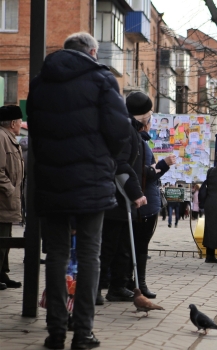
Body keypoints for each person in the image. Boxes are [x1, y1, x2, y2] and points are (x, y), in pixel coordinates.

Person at [27, 32, 131, 349]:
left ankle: (55, 330)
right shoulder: (101, 78)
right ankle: (83, 332)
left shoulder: (40, 81)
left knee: (56, 255)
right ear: (92, 51)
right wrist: (104, 158)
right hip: (91, 180)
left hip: (51, 181)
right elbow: (120, 130)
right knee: (89, 255)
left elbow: (35, 126)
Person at [98, 91, 149, 304]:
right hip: (118, 199)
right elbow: (121, 164)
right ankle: (98, 287)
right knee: (109, 246)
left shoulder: (130, 130)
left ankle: (117, 286)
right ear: (145, 116)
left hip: (121, 199)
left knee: (122, 246)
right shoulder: (127, 131)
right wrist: (136, 193)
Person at [124, 92, 174, 299]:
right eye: (151, 118)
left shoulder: (139, 139)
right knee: (139, 245)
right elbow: (142, 173)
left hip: (144, 201)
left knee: (136, 244)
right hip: (143, 202)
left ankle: (134, 282)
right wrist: (163, 165)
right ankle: (138, 283)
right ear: (144, 121)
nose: (152, 123)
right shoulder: (137, 140)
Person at [0, 105, 24, 291]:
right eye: (20, 121)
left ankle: (2, 273)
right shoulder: (1, 138)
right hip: (3, 200)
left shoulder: (10, 139)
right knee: (2, 238)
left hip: (9, 200)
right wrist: (10, 189)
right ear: (14, 123)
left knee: (6, 236)